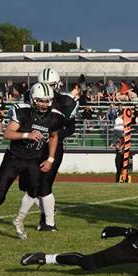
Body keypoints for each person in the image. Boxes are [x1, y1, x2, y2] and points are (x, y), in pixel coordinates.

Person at [0, 83, 63, 239]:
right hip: (13, 159)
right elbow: (8, 133)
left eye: (47, 101)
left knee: (33, 191)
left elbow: (54, 137)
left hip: (33, 160)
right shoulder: (23, 111)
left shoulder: (54, 116)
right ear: (32, 99)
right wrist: (27, 135)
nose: (44, 104)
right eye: (40, 100)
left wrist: (50, 159)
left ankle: (19, 220)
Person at [18, 68, 79, 232]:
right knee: (26, 185)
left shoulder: (66, 102)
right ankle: (48, 210)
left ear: (58, 85)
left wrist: (53, 135)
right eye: (44, 85)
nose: (48, 90)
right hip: (33, 146)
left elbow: (71, 128)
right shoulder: (29, 96)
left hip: (53, 148)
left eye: (51, 85)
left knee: (44, 185)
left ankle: (49, 223)